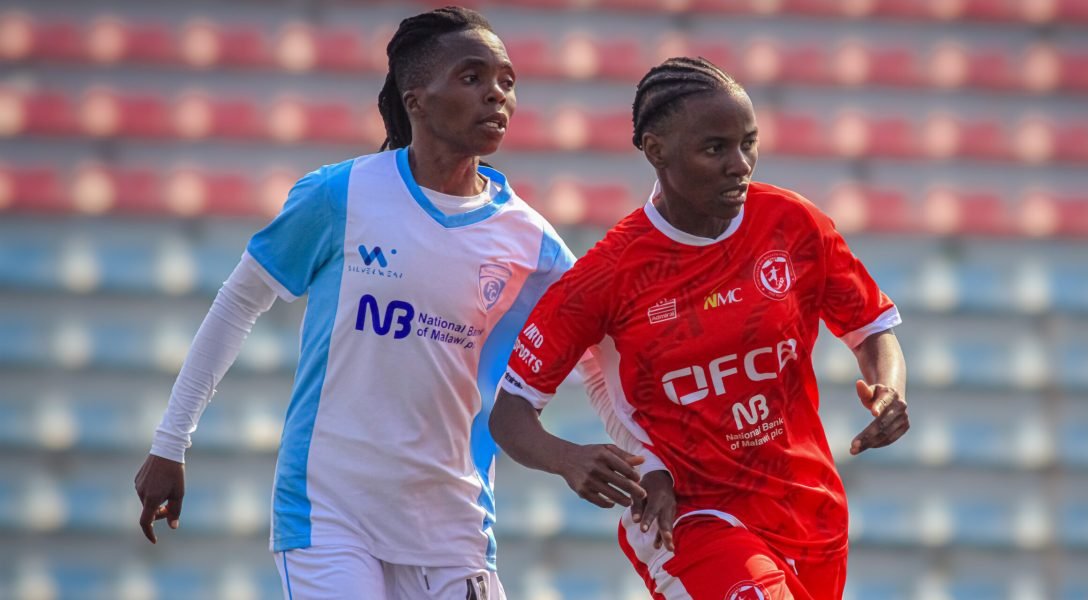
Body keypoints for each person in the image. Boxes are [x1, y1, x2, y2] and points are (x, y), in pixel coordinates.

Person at [133, 7, 653, 599]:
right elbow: (237, 305)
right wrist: (170, 443)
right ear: (417, 99)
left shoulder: (531, 243)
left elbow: (600, 361)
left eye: (507, 81)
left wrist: (648, 466)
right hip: (329, 516)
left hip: (453, 523)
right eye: (472, 77)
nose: (496, 96)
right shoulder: (341, 195)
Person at [490, 57, 910, 599]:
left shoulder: (792, 223)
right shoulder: (607, 276)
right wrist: (570, 459)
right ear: (655, 149)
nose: (740, 164)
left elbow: (871, 329)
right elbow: (511, 411)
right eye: (715, 148)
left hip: (808, 506)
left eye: (748, 143)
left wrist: (890, 390)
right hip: (689, 515)